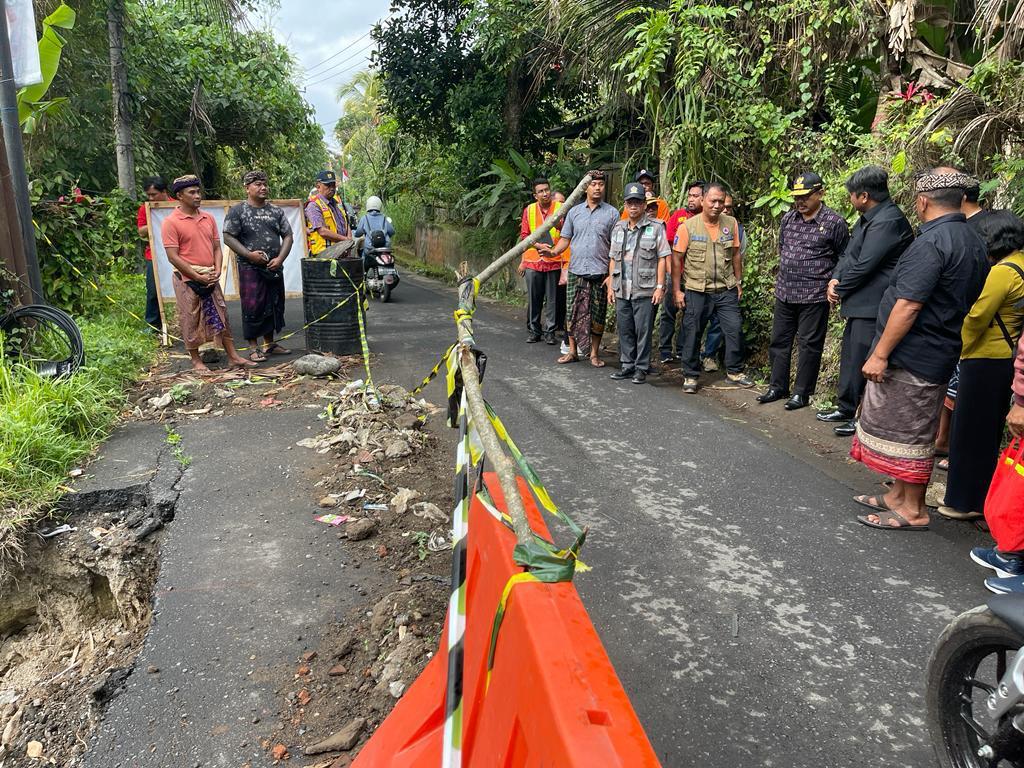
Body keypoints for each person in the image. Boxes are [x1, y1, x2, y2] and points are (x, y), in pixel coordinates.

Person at [851, 168, 989, 531]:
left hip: (917, 354)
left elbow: (909, 304)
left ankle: (912, 508)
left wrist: (880, 353)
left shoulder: (932, 243)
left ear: (922, 202)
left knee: (912, 431)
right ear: (960, 201)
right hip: (939, 347)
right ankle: (898, 494)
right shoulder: (971, 239)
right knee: (908, 426)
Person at [938, 211, 1024, 521]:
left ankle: (964, 502)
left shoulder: (1003, 271)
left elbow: (977, 316)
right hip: (1005, 359)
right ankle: (977, 498)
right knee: (985, 434)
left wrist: (959, 349)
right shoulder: (1022, 265)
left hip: (984, 357)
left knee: (969, 433)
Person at [818, 166, 914, 437]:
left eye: (851, 195)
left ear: (863, 196)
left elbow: (866, 265)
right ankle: (845, 407)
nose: (850, 200)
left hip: (875, 305)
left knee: (867, 362)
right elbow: (848, 255)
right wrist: (835, 280)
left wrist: (841, 288)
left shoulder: (888, 221)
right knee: (851, 359)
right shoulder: (867, 218)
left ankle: (863, 417)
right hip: (859, 303)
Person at [758, 172, 850, 410]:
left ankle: (802, 393)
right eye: (797, 197)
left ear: (820, 194)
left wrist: (835, 280)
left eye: (806, 197)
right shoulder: (788, 219)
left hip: (814, 294)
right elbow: (783, 248)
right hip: (785, 291)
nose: (800, 202)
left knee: (809, 344)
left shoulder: (834, 222)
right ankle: (777, 386)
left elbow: (844, 256)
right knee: (779, 340)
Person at [161, 175, 256, 374]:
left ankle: (233, 356)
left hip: (210, 276)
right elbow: (173, 257)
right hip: (186, 278)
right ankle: (196, 360)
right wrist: (196, 276)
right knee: (191, 317)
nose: (197, 196)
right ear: (179, 196)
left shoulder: (208, 218)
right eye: (192, 192)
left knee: (221, 315)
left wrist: (218, 271)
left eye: (198, 191)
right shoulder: (171, 222)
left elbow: (217, 248)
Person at [671, 182, 755, 393]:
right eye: (713, 201)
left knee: (734, 328)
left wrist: (738, 281)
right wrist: (677, 290)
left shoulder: (731, 223)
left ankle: (735, 371)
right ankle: (690, 375)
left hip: (725, 289)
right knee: (693, 332)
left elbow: (736, 253)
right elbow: (676, 259)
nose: (717, 206)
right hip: (697, 290)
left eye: (721, 201)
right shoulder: (688, 227)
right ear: (702, 200)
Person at [542, 171, 619, 367]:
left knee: (598, 315)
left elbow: (616, 247)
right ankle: (573, 351)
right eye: (594, 184)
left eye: (601, 184)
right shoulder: (574, 213)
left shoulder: (612, 213)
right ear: (586, 187)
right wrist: (552, 253)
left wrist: (612, 274)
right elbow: (565, 241)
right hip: (576, 271)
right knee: (572, 313)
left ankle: (594, 354)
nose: (598, 187)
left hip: (600, 272)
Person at [223, 170, 294, 363]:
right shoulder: (238, 211)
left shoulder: (275, 211)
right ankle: (253, 347)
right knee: (253, 306)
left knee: (274, 304)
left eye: (264, 184)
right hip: (250, 268)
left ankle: (269, 344)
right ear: (247, 188)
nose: (263, 187)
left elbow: (288, 236)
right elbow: (228, 237)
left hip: (274, 267)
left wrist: (280, 259)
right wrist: (248, 255)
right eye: (257, 184)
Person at [607, 182, 670, 384]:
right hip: (622, 288)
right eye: (630, 202)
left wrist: (660, 287)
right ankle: (627, 365)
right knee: (625, 329)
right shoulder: (618, 228)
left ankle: (641, 367)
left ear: (644, 205)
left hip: (645, 288)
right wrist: (610, 285)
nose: (633, 206)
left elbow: (662, 257)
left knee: (643, 330)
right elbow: (612, 259)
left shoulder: (656, 227)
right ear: (625, 205)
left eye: (638, 202)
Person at [659, 180, 705, 365]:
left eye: (695, 196)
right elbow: (667, 247)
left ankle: (681, 350)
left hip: (696, 277)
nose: (691, 199)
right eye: (690, 196)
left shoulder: (707, 219)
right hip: (675, 274)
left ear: (704, 198)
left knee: (691, 315)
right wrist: (671, 272)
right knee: (668, 313)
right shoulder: (678, 216)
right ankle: (664, 351)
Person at [700, 193, 747, 372]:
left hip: (726, 286)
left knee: (722, 323)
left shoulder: (738, 230)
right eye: (721, 205)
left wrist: (738, 282)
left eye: (728, 207)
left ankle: (711, 356)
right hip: (701, 286)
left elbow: (739, 257)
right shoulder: (700, 225)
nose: (724, 209)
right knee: (696, 323)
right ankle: (690, 358)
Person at [516, 178, 566, 345]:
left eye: (547, 190)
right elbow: (524, 235)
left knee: (552, 299)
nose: (545, 194)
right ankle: (534, 330)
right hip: (533, 261)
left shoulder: (560, 208)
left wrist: (558, 225)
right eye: (541, 191)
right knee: (534, 298)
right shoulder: (529, 210)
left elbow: (566, 232)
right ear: (535, 195)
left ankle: (550, 332)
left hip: (553, 260)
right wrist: (537, 245)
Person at [137, 176, 169, 331]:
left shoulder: (176, 205)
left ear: (164, 192)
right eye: (148, 195)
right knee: (153, 290)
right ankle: (152, 324)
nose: (150, 198)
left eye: (153, 194)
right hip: (154, 255)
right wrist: (154, 221)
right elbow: (141, 232)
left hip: (179, 253)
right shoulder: (145, 208)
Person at [305, 170, 351, 255]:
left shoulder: (338, 204)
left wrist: (349, 241)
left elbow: (346, 224)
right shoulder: (313, 206)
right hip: (324, 256)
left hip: (340, 252)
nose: (332, 188)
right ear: (318, 186)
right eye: (327, 185)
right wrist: (346, 240)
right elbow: (322, 231)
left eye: (333, 184)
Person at [354, 195, 396, 272]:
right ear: (379, 205)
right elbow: (392, 231)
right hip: (385, 247)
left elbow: (358, 233)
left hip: (370, 248)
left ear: (368, 205)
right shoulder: (384, 218)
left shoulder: (364, 218)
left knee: (364, 256)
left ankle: (364, 274)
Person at [552, 191, 570, 354]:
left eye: (564, 202)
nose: (561, 205)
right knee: (555, 298)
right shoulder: (553, 218)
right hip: (551, 263)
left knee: (566, 301)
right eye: (558, 202)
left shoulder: (570, 217)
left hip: (566, 264)